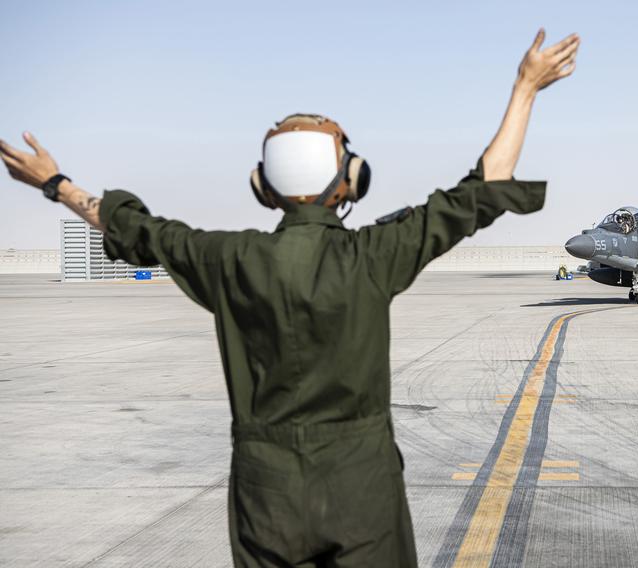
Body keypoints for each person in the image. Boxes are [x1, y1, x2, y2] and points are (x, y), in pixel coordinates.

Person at [1, 28, 580, 567]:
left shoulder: (227, 259)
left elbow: (135, 229)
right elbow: (480, 190)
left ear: (263, 186)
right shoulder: (374, 255)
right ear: (352, 179)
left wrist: (57, 185)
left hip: (265, 493)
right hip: (363, 490)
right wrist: (525, 89)